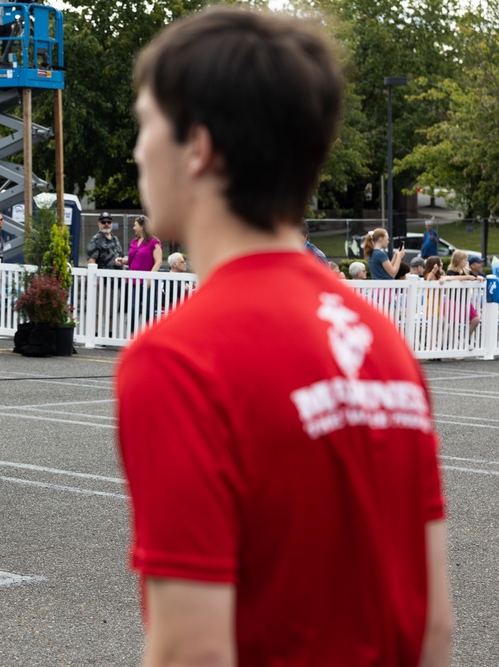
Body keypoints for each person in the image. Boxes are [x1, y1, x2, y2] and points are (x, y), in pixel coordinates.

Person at [119, 7, 450, 667]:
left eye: (146, 124)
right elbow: (433, 627)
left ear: (199, 148)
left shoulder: (178, 358)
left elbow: (195, 651)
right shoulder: (385, 343)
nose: (136, 150)